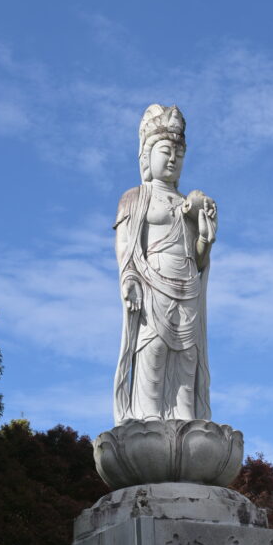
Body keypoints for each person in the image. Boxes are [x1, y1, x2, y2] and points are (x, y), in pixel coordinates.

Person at [113, 104, 217, 423]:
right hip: (151, 284)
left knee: (187, 358)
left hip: (187, 286)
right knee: (153, 351)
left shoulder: (188, 203)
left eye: (179, 153)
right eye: (165, 150)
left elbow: (198, 260)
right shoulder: (135, 197)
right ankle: (147, 420)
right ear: (146, 156)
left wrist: (204, 237)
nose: (173, 159)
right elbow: (126, 248)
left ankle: (187, 423)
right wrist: (129, 280)